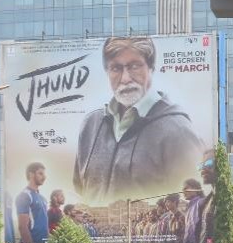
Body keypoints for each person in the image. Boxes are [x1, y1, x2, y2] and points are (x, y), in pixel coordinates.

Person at [73, 36, 202, 204]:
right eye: (116, 68)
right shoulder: (91, 125)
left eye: (134, 66)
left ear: (151, 68)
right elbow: (80, 192)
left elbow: (191, 204)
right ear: (107, 72)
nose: (125, 78)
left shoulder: (178, 131)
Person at [15, 162, 49, 243]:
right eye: (40, 173)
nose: (44, 177)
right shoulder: (25, 195)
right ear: (31, 174)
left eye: (44, 174)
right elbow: (22, 227)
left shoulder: (43, 198)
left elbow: (44, 224)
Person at [195, 149, 217, 243]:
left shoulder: (225, 198)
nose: (203, 169)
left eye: (208, 163)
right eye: (201, 165)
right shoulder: (206, 201)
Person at [180, 178, 204, 243]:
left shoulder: (201, 202)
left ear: (195, 189)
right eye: (183, 190)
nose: (183, 192)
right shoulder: (189, 207)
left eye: (186, 188)